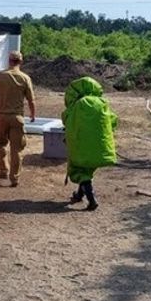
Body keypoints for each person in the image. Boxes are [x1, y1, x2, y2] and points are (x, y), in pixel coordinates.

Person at [61, 76, 118, 211]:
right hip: (101, 147)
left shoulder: (76, 106)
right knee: (87, 169)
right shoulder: (102, 103)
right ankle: (79, 194)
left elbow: (65, 119)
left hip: (81, 146)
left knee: (79, 170)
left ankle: (91, 200)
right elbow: (113, 120)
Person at [0, 50, 36, 188]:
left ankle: (3, 170)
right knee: (16, 149)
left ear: (9, 61)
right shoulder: (25, 78)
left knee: (0, 144)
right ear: (21, 62)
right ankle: (14, 178)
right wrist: (33, 114)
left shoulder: (0, 76)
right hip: (17, 117)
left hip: (1, 116)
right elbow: (31, 100)